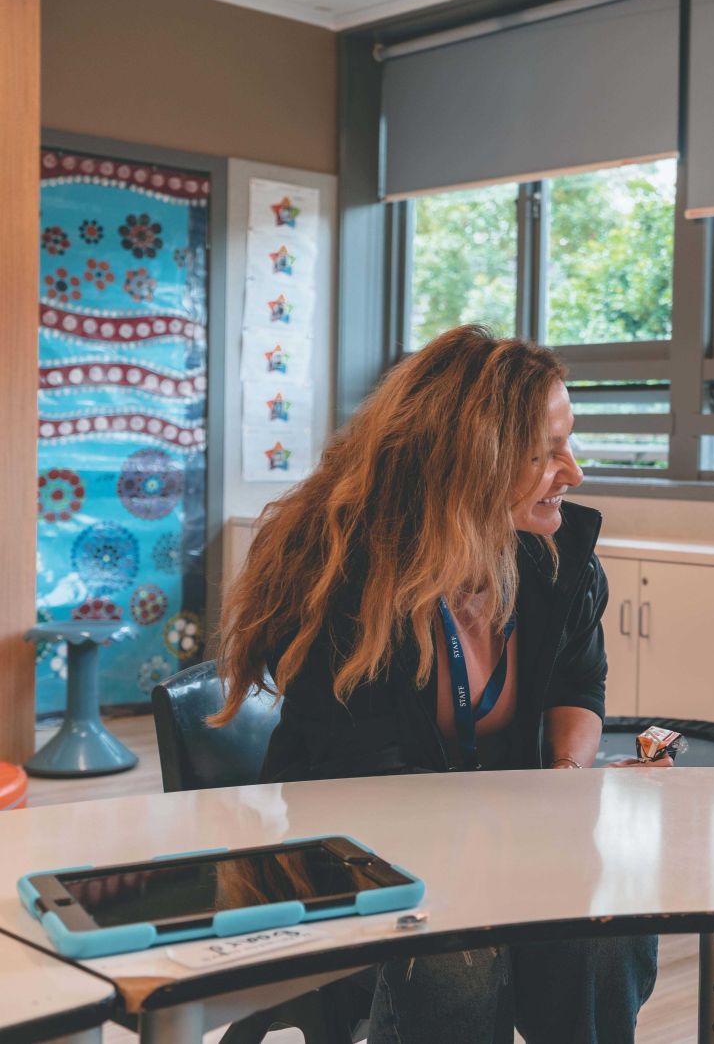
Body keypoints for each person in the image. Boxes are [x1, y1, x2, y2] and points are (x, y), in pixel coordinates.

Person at [217, 324, 662, 1044]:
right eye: (544, 453)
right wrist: (516, 848)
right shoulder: (338, 574)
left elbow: (578, 686)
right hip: (354, 844)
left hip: (510, 834)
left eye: (569, 442)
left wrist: (566, 778)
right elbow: (367, 781)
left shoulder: (558, 558)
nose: (573, 472)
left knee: (608, 934)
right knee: (458, 959)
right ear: (466, 461)